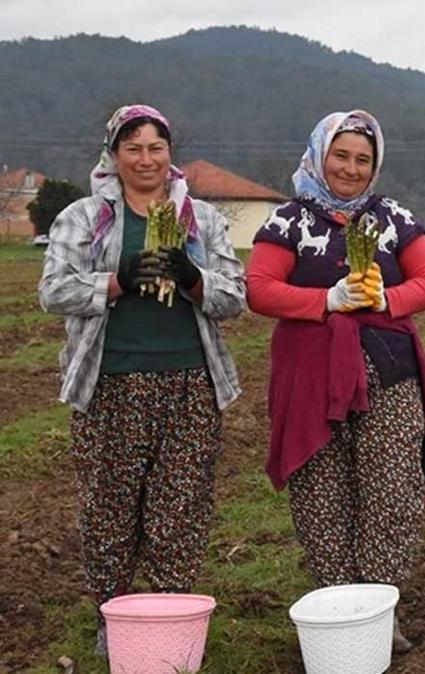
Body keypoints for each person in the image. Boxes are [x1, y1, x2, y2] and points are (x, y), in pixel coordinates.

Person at [38, 104, 245, 658]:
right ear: (114, 155)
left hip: (189, 385)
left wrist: (193, 279)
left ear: (169, 154)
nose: (146, 159)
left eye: (156, 148)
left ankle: (172, 617)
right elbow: (53, 290)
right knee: (109, 508)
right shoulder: (83, 217)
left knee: (179, 509)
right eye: (133, 148)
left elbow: (235, 298)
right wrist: (118, 280)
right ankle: (113, 615)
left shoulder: (200, 219)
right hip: (109, 384)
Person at [245, 110, 425, 655]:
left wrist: (386, 298)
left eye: (363, 159)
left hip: (388, 371)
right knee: (320, 491)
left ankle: (380, 610)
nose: (351, 169)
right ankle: (337, 608)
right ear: (319, 154)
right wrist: (325, 301)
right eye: (341, 155)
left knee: (390, 489)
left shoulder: (393, 219)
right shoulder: (289, 222)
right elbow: (260, 289)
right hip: (309, 376)